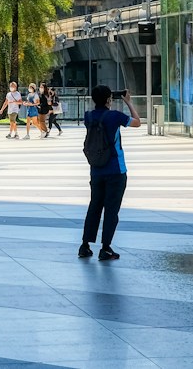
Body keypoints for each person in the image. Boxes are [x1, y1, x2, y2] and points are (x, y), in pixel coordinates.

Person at [79, 84, 140, 262]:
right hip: (115, 170)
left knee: (94, 207)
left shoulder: (88, 116)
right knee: (111, 210)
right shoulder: (115, 116)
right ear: (108, 100)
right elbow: (137, 122)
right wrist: (128, 102)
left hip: (96, 170)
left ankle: (85, 245)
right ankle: (105, 248)